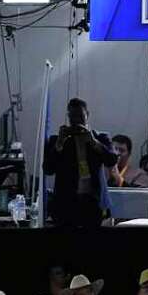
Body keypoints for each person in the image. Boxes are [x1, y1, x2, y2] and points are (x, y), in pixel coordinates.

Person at [42, 98, 115, 231]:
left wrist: (93, 142)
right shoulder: (57, 141)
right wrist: (59, 144)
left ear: (88, 115)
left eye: (80, 117)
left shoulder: (101, 138)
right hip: (66, 203)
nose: (76, 121)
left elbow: (111, 160)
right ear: (68, 118)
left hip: (93, 203)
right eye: (73, 117)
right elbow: (48, 169)